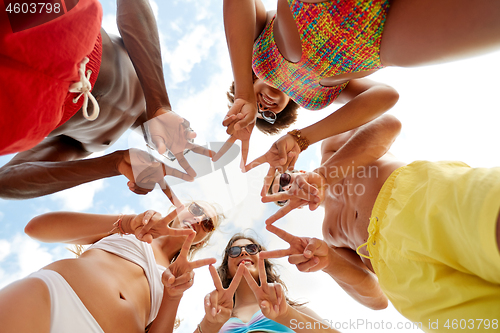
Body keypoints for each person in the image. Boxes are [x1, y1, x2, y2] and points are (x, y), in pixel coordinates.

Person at [260, 115, 500, 331]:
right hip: (404, 278)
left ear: (294, 169)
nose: (288, 189)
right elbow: (377, 299)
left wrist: (325, 175)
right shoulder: (330, 234)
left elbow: (389, 125)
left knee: (490, 225)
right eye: (280, 196)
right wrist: (329, 263)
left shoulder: (331, 149)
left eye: (283, 180)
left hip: (415, 198)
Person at [220, 0, 500, 173]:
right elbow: (385, 96)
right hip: (384, 39)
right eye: (269, 116)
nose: (265, 110)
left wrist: (245, 93)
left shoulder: (255, 50)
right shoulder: (317, 97)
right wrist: (302, 138)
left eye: (258, 111)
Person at [0, 0, 212, 202]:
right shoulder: (146, 66)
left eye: (176, 155)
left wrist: (113, 164)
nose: (179, 147)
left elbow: (4, 181)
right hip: (60, 32)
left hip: (19, 107)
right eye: (189, 138)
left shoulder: (90, 143)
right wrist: (160, 105)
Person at [0, 201, 223, 332]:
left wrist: (173, 296)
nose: (199, 218)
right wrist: (126, 223)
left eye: (208, 223)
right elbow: (36, 228)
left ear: (203, 240)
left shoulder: (178, 278)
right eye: (196, 209)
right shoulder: (131, 228)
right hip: (52, 296)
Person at [195, 233, 340, 333]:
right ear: (226, 270)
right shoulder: (215, 318)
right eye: (234, 251)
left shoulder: (290, 308)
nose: (244, 253)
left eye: (252, 249)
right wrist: (208, 326)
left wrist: (287, 315)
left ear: (263, 264)